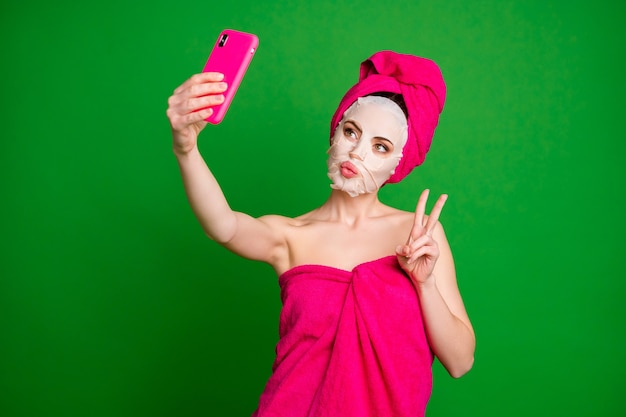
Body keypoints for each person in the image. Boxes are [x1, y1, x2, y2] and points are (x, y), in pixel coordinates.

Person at [166, 50, 475, 417]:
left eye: (380, 146)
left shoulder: (421, 235)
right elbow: (224, 225)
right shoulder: (290, 235)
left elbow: (460, 361)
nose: (357, 153)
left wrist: (424, 285)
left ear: (398, 162)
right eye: (351, 132)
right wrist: (186, 149)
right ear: (335, 132)